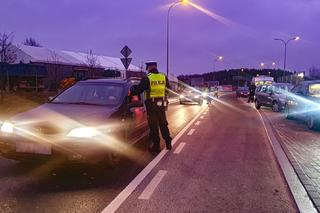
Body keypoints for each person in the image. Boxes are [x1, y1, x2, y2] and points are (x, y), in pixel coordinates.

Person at [130, 61, 172, 152]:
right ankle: (168, 142)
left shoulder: (147, 78)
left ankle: (156, 146)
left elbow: (137, 91)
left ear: (149, 68)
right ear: (155, 67)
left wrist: (132, 89)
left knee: (153, 125)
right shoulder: (163, 76)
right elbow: (169, 89)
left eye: (147, 68)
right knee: (163, 123)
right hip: (161, 104)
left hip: (151, 105)